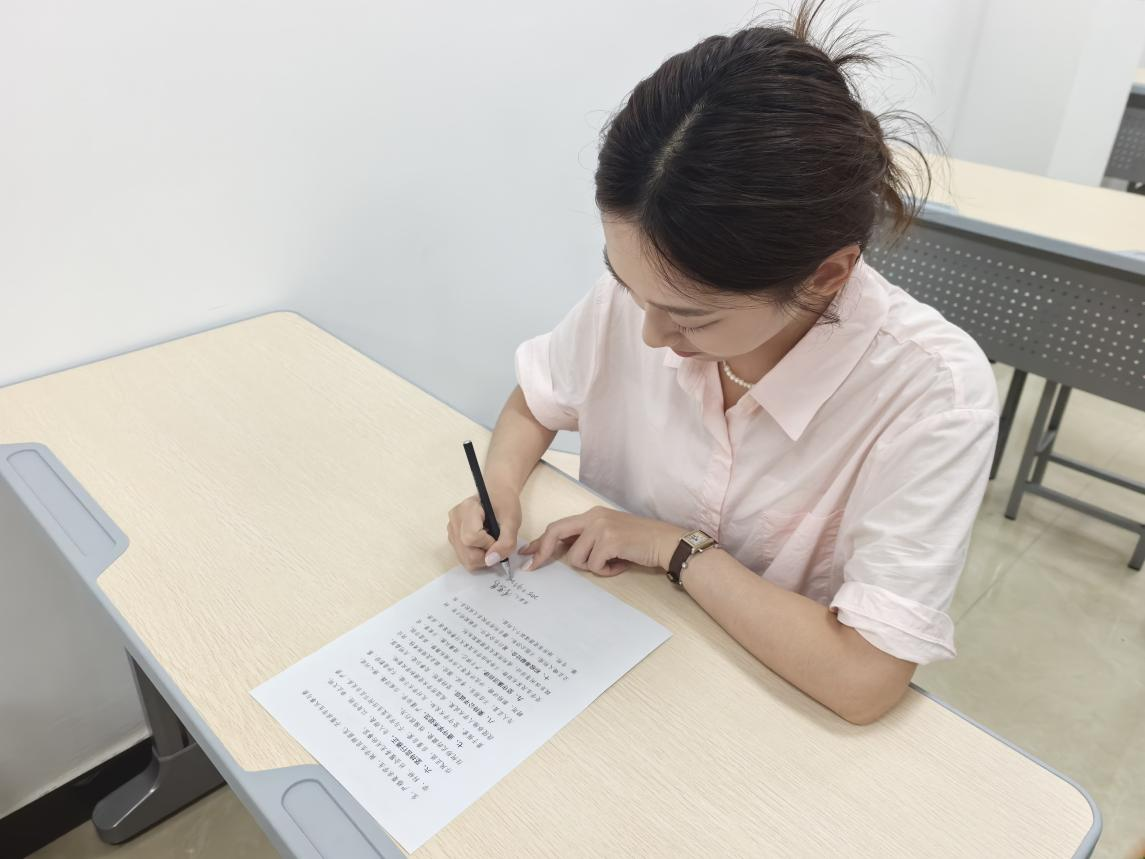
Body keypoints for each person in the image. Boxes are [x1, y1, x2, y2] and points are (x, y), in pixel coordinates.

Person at [447, 0, 998, 725]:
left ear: (827, 276)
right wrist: (498, 488)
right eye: (625, 285)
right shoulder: (645, 297)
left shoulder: (932, 393)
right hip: (597, 665)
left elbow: (863, 678)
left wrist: (672, 548)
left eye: (691, 318)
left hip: (762, 710)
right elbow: (536, 402)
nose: (649, 334)